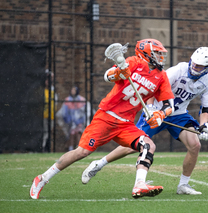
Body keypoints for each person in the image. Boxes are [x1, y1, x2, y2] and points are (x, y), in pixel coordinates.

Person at [30, 38, 175, 199]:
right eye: (157, 53)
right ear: (146, 53)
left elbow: (169, 105)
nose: (161, 57)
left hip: (126, 124)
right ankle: (42, 179)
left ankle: (139, 185)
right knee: (82, 152)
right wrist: (119, 72)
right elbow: (108, 75)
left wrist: (161, 114)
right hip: (107, 116)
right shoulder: (134, 62)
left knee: (148, 145)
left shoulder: (161, 76)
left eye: (161, 54)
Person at [81, 47, 208, 195]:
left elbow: (205, 108)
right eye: (194, 63)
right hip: (157, 112)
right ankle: (99, 164)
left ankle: (183, 185)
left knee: (195, 145)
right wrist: (151, 109)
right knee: (133, 146)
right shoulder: (178, 71)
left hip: (179, 114)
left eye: (199, 66)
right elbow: (153, 88)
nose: (194, 67)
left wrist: (204, 125)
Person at [60, 86, 86, 151]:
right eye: (72, 90)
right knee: (71, 134)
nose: (73, 91)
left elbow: (83, 111)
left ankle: (79, 147)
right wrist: (68, 120)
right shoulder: (68, 100)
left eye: (74, 90)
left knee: (78, 133)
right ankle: (70, 148)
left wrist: (80, 120)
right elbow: (65, 112)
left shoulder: (81, 100)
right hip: (70, 120)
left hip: (78, 120)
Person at [42, 71, 57, 152]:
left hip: (50, 116)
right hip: (43, 116)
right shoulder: (42, 91)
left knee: (48, 133)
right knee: (44, 133)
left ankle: (46, 148)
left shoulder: (52, 91)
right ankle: (42, 148)